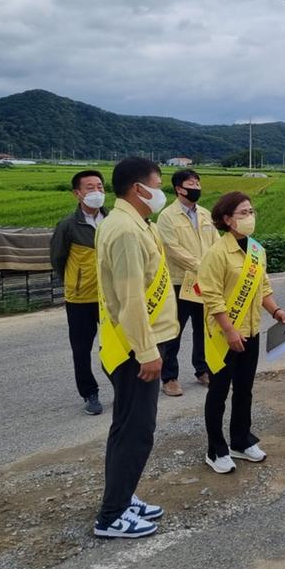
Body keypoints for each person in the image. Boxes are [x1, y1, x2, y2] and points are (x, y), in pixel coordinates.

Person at [92, 157, 178, 539]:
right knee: (135, 430)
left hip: (134, 344)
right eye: (157, 184)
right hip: (134, 350)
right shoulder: (126, 230)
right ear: (138, 189)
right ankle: (111, 516)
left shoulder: (132, 223)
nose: (161, 191)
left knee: (126, 426)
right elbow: (129, 299)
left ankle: (123, 496)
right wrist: (147, 352)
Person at [198, 191, 285, 474]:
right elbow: (211, 297)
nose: (250, 217)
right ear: (227, 219)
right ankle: (216, 449)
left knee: (245, 389)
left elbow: (263, 289)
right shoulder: (217, 253)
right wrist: (229, 330)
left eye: (251, 211)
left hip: (251, 331)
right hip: (223, 335)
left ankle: (241, 439)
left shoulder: (257, 251)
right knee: (219, 391)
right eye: (243, 213)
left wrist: (275, 311)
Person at [50, 169, 108, 416]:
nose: (96, 192)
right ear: (77, 194)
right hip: (80, 298)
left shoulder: (114, 220)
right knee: (82, 348)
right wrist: (76, 281)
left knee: (116, 345)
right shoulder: (68, 226)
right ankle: (89, 392)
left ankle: (122, 385)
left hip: (110, 297)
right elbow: (58, 260)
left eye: (100, 187)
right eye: (89, 188)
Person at [157, 169, 219, 396]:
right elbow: (172, 249)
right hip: (179, 281)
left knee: (204, 328)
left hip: (204, 281)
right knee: (174, 329)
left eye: (197, 182)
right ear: (179, 189)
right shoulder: (167, 216)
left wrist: (214, 266)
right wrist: (201, 265)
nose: (196, 186)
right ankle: (169, 377)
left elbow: (216, 243)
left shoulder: (205, 214)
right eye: (190, 183)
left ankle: (202, 369)